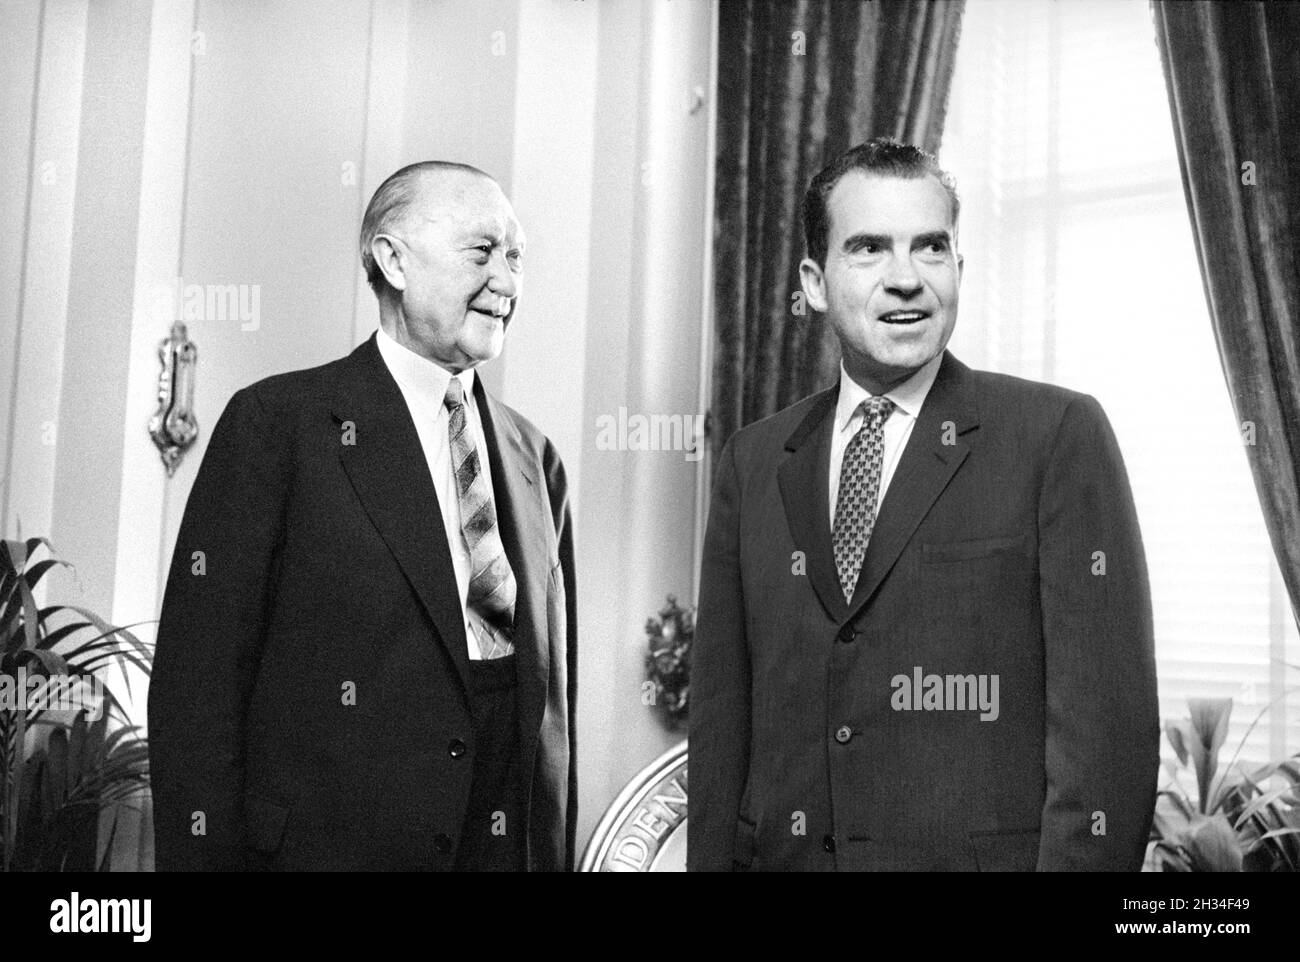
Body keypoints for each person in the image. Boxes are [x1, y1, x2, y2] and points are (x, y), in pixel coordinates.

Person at [688, 138, 1159, 871]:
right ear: (813, 282)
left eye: (930, 248)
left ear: (958, 270)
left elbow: (1107, 735)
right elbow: (722, 728)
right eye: (870, 249)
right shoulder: (752, 460)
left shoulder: (1057, 436)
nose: (905, 279)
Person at [148, 161, 577, 871]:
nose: (507, 280)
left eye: (516, 257)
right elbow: (199, 692)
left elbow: (554, 712)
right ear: (393, 259)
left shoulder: (539, 459)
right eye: (482, 252)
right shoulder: (276, 425)